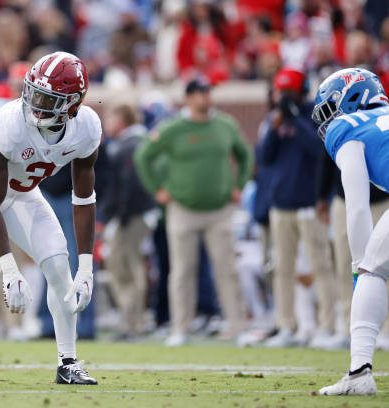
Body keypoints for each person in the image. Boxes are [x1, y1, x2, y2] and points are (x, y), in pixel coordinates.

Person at [0, 52, 100, 386]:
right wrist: (11, 269)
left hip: (22, 192)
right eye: (33, 91)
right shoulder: (9, 122)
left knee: (60, 266)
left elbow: (84, 197)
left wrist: (86, 267)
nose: (35, 102)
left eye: (47, 98)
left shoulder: (87, 128)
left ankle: (68, 361)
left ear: (72, 105)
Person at [135, 77, 253, 346]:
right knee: (181, 271)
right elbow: (144, 156)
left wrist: (240, 185)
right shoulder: (173, 128)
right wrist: (157, 189)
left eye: (207, 92)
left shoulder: (225, 125)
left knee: (227, 269)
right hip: (183, 209)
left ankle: (237, 325)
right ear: (188, 98)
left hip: (220, 209)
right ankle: (180, 328)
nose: (204, 97)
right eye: (198, 93)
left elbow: (245, 154)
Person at [312, 67, 389, 396]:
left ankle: (359, 373)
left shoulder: (347, 127)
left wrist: (360, 263)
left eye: (330, 109)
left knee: (372, 270)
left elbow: (357, 204)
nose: (328, 121)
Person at [257, 68, 335, 347]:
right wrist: (277, 127)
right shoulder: (275, 118)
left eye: (289, 90)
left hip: (309, 202)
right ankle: (285, 325)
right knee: (283, 268)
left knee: (321, 265)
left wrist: (296, 121)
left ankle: (328, 325)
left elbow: (318, 148)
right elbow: (264, 157)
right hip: (281, 204)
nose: (284, 96)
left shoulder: (314, 114)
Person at [102, 103, 155, 339]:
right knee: (127, 267)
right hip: (133, 214)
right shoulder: (134, 143)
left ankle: (132, 322)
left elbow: (128, 185)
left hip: (130, 217)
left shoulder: (129, 145)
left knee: (126, 268)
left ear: (122, 119)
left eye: (110, 117)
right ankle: (132, 321)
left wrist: (118, 215)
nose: (107, 124)